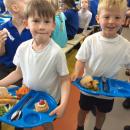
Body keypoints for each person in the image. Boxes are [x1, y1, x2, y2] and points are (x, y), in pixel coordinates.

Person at [0, 0, 70, 130]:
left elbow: (65, 80)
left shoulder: (57, 53)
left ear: (53, 25)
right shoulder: (22, 48)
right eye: (36, 21)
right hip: (27, 97)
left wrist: (64, 104)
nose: (42, 26)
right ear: (27, 23)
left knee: (47, 123)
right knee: (24, 123)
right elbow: (18, 72)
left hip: (48, 100)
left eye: (46, 21)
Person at [71, 0, 130, 130]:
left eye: (117, 17)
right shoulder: (90, 40)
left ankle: (97, 128)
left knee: (102, 113)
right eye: (106, 17)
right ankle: (80, 126)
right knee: (83, 109)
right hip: (87, 87)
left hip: (108, 90)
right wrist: (76, 72)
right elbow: (81, 59)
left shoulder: (126, 45)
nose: (111, 21)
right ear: (98, 18)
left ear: (124, 20)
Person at [0, 0, 32, 130]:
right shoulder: (3, 28)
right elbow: (1, 54)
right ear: (15, 7)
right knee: (2, 101)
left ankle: (20, 125)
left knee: (21, 106)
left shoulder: (33, 26)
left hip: (27, 71)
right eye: (26, 1)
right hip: (6, 69)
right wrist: (1, 45)